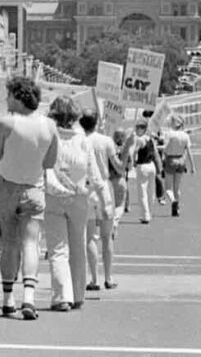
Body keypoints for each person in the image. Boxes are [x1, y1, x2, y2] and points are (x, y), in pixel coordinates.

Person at [0, 76, 58, 320]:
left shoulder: (7, 123)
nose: (6, 100)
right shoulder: (49, 126)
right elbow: (50, 162)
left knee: (8, 243)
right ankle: (29, 296)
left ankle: (8, 298)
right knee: (31, 243)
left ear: (18, 97)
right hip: (34, 186)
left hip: (8, 186)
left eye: (9, 96)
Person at [44, 96, 110, 312]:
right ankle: (78, 293)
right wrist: (105, 202)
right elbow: (96, 176)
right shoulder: (83, 140)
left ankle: (62, 295)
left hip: (54, 195)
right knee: (78, 245)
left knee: (57, 248)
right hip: (80, 196)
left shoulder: (49, 136)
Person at [80, 111, 119, 291]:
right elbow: (117, 165)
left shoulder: (79, 140)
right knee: (106, 236)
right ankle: (108, 277)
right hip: (103, 187)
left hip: (87, 190)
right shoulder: (106, 141)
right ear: (96, 123)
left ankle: (94, 278)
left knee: (90, 237)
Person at [161, 116, 196, 217]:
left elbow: (165, 147)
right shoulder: (185, 136)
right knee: (177, 187)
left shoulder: (170, 134)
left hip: (170, 159)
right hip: (181, 160)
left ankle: (173, 201)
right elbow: (189, 152)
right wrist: (192, 166)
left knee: (168, 188)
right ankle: (177, 207)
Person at [129, 118, 162, 224]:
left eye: (140, 127)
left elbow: (135, 152)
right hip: (151, 165)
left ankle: (145, 215)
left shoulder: (140, 139)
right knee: (151, 191)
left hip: (142, 165)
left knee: (142, 192)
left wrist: (133, 162)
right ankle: (150, 212)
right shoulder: (150, 139)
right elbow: (155, 152)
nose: (138, 129)